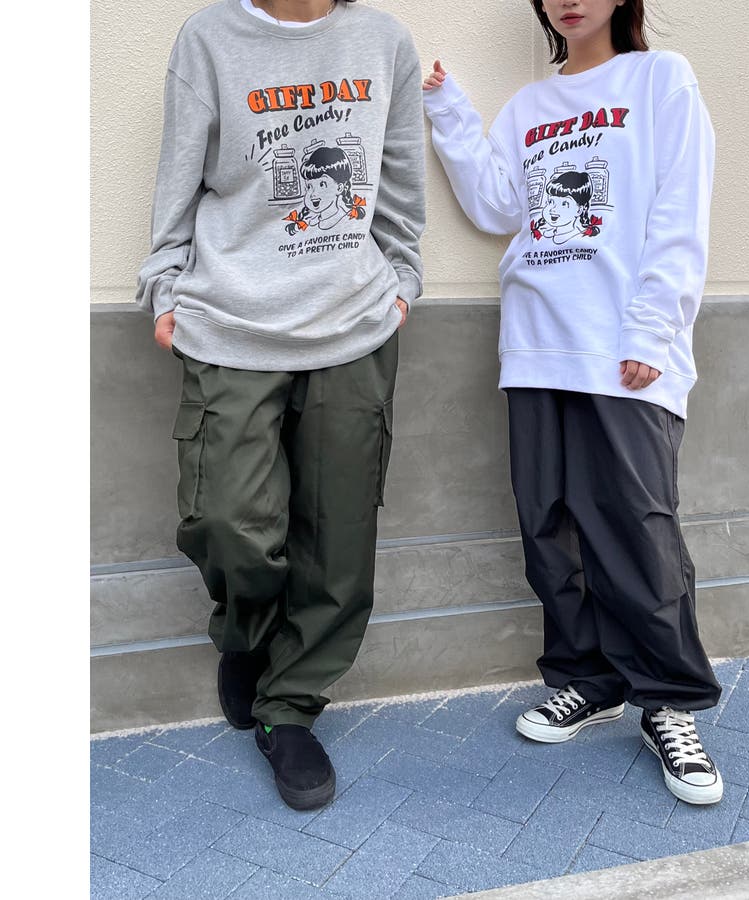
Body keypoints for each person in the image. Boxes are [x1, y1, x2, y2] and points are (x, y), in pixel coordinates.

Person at [422, 0, 723, 805]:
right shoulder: (530, 105)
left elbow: (680, 207)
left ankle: (669, 699)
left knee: (636, 527)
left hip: (623, 346)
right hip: (534, 342)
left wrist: (653, 327)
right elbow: (498, 206)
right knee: (549, 529)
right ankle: (590, 679)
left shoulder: (660, 79)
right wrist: (450, 112)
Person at [136, 0, 425, 811]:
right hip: (231, 321)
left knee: (338, 537)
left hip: (353, 324)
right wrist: (164, 287)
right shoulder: (210, 37)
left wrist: (403, 280)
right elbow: (179, 171)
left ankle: (289, 707)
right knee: (228, 521)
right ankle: (247, 635)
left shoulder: (384, 42)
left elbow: (400, 174)